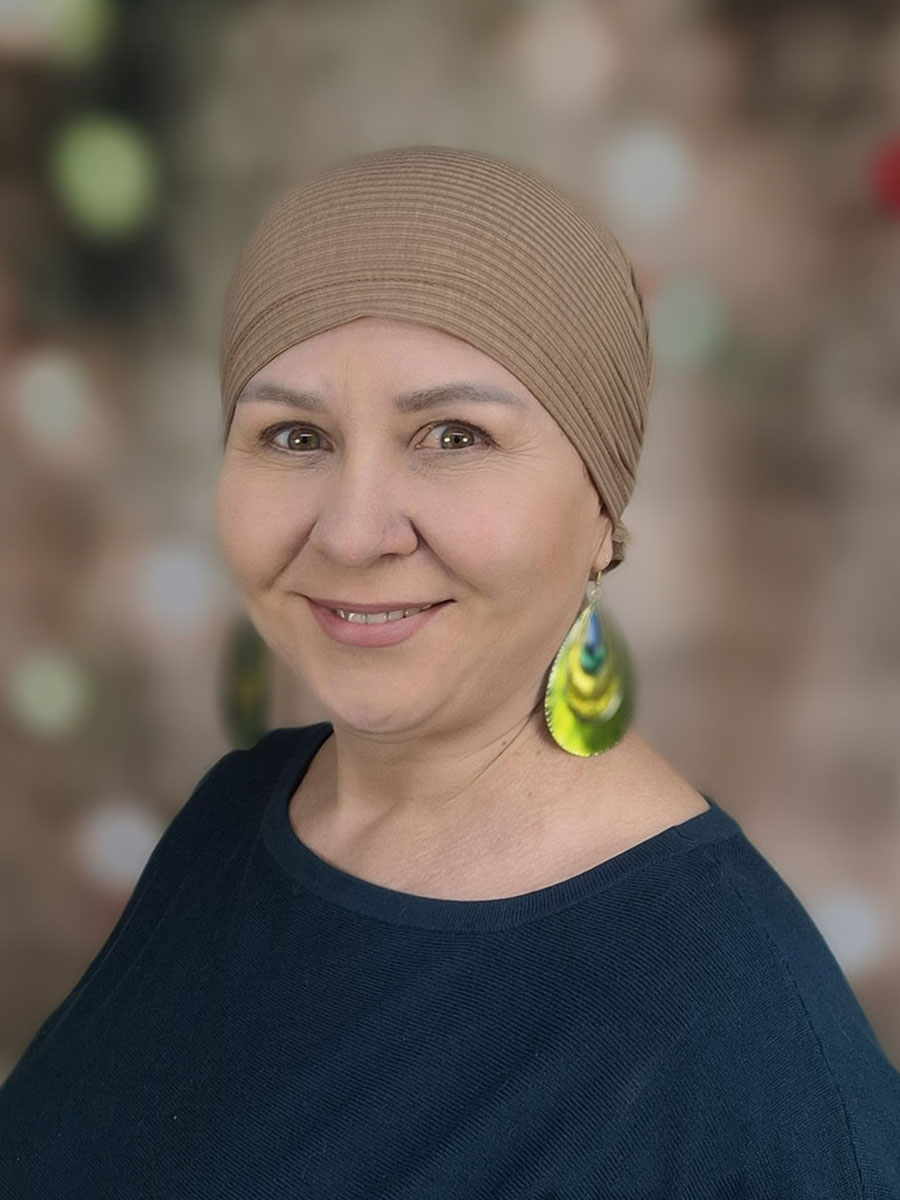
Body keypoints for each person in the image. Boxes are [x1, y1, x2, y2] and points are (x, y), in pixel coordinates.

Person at [1, 144, 898, 1198]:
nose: (352, 532)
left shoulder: (743, 1037)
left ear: (601, 512)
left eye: (455, 436)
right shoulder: (231, 820)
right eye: (294, 436)